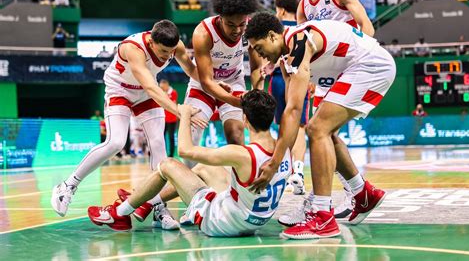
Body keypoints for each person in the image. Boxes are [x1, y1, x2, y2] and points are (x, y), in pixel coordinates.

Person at [245, 12, 395, 239]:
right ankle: (364, 194)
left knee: (317, 129)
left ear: (272, 36)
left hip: (370, 66)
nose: (260, 55)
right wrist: (278, 158)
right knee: (326, 132)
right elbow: (290, 112)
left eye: (259, 47)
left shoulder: (298, 42)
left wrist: (275, 163)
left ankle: (322, 215)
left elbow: (294, 111)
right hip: (352, 70)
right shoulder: (287, 60)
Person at [51, 20, 207, 229]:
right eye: (163, 51)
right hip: (120, 90)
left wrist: (211, 85)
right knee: (115, 142)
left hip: (144, 94)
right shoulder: (133, 48)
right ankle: (67, 186)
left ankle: (159, 209)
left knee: (158, 143)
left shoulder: (174, 46)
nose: (167, 56)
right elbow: (152, 87)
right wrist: (179, 110)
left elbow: (191, 69)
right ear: (151, 42)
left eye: (170, 52)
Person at [88, 90, 293, 236]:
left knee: (168, 164)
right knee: (205, 167)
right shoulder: (284, 150)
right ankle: (147, 203)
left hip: (221, 224)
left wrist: (184, 115)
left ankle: (119, 214)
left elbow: (185, 150)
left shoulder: (242, 155)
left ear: (245, 120)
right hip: (253, 219)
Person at [288, 0, 377, 222]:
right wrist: (311, 77)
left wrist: (364, 54)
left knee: (321, 132)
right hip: (326, 73)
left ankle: (328, 199)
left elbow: (366, 26)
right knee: (325, 134)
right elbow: (304, 46)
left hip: (351, 64)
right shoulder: (303, 6)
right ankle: (360, 192)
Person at [183, 0, 263, 166]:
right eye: (231, 25)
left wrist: (256, 95)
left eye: (241, 24)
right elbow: (206, 80)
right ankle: (194, 190)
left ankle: (238, 190)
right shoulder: (203, 33)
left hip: (234, 81)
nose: (237, 30)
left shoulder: (250, 29)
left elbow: (256, 66)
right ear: (220, 18)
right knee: (191, 137)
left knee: (235, 136)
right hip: (204, 85)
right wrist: (236, 102)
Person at [265, 0, 308, 196]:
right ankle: (297, 172)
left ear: (281, 10)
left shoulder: (276, 31)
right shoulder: (304, 28)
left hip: (279, 80)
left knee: (284, 125)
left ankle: (284, 171)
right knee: (299, 126)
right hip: (302, 77)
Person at [159, 79, 178, 157]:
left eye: (163, 87)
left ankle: (171, 154)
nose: (162, 88)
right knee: (161, 136)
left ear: (167, 85)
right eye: (161, 87)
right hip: (163, 119)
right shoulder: (161, 92)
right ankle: (162, 153)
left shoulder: (173, 92)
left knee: (171, 137)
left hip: (172, 119)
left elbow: (171, 104)